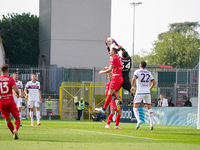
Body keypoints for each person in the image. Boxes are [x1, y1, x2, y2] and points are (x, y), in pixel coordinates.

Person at [131, 61, 156, 130]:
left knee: (135, 107)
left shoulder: (137, 71)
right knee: (149, 108)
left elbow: (133, 78)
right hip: (147, 92)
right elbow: (154, 82)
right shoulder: (149, 72)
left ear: (140, 65)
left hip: (139, 92)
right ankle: (151, 123)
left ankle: (138, 120)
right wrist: (149, 88)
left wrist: (132, 86)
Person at [99, 47, 123, 112]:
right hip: (120, 77)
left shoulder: (113, 59)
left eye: (110, 51)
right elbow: (115, 68)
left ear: (114, 52)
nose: (109, 52)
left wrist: (102, 72)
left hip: (116, 78)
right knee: (118, 111)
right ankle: (117, 105)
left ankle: (104, 109)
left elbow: (110, 69)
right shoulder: (119, 57)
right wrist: (109, 68)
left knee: (110, 94)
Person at [0, 64, 20, 139]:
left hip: (2, 102)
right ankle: (16, 129)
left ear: (1, 71)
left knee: (8, 120)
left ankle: (14, 134)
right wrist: (17, 94)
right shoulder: (11, 79)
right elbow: (16, 90)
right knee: (17, 117)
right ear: (8, 71)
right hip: (10, 101)